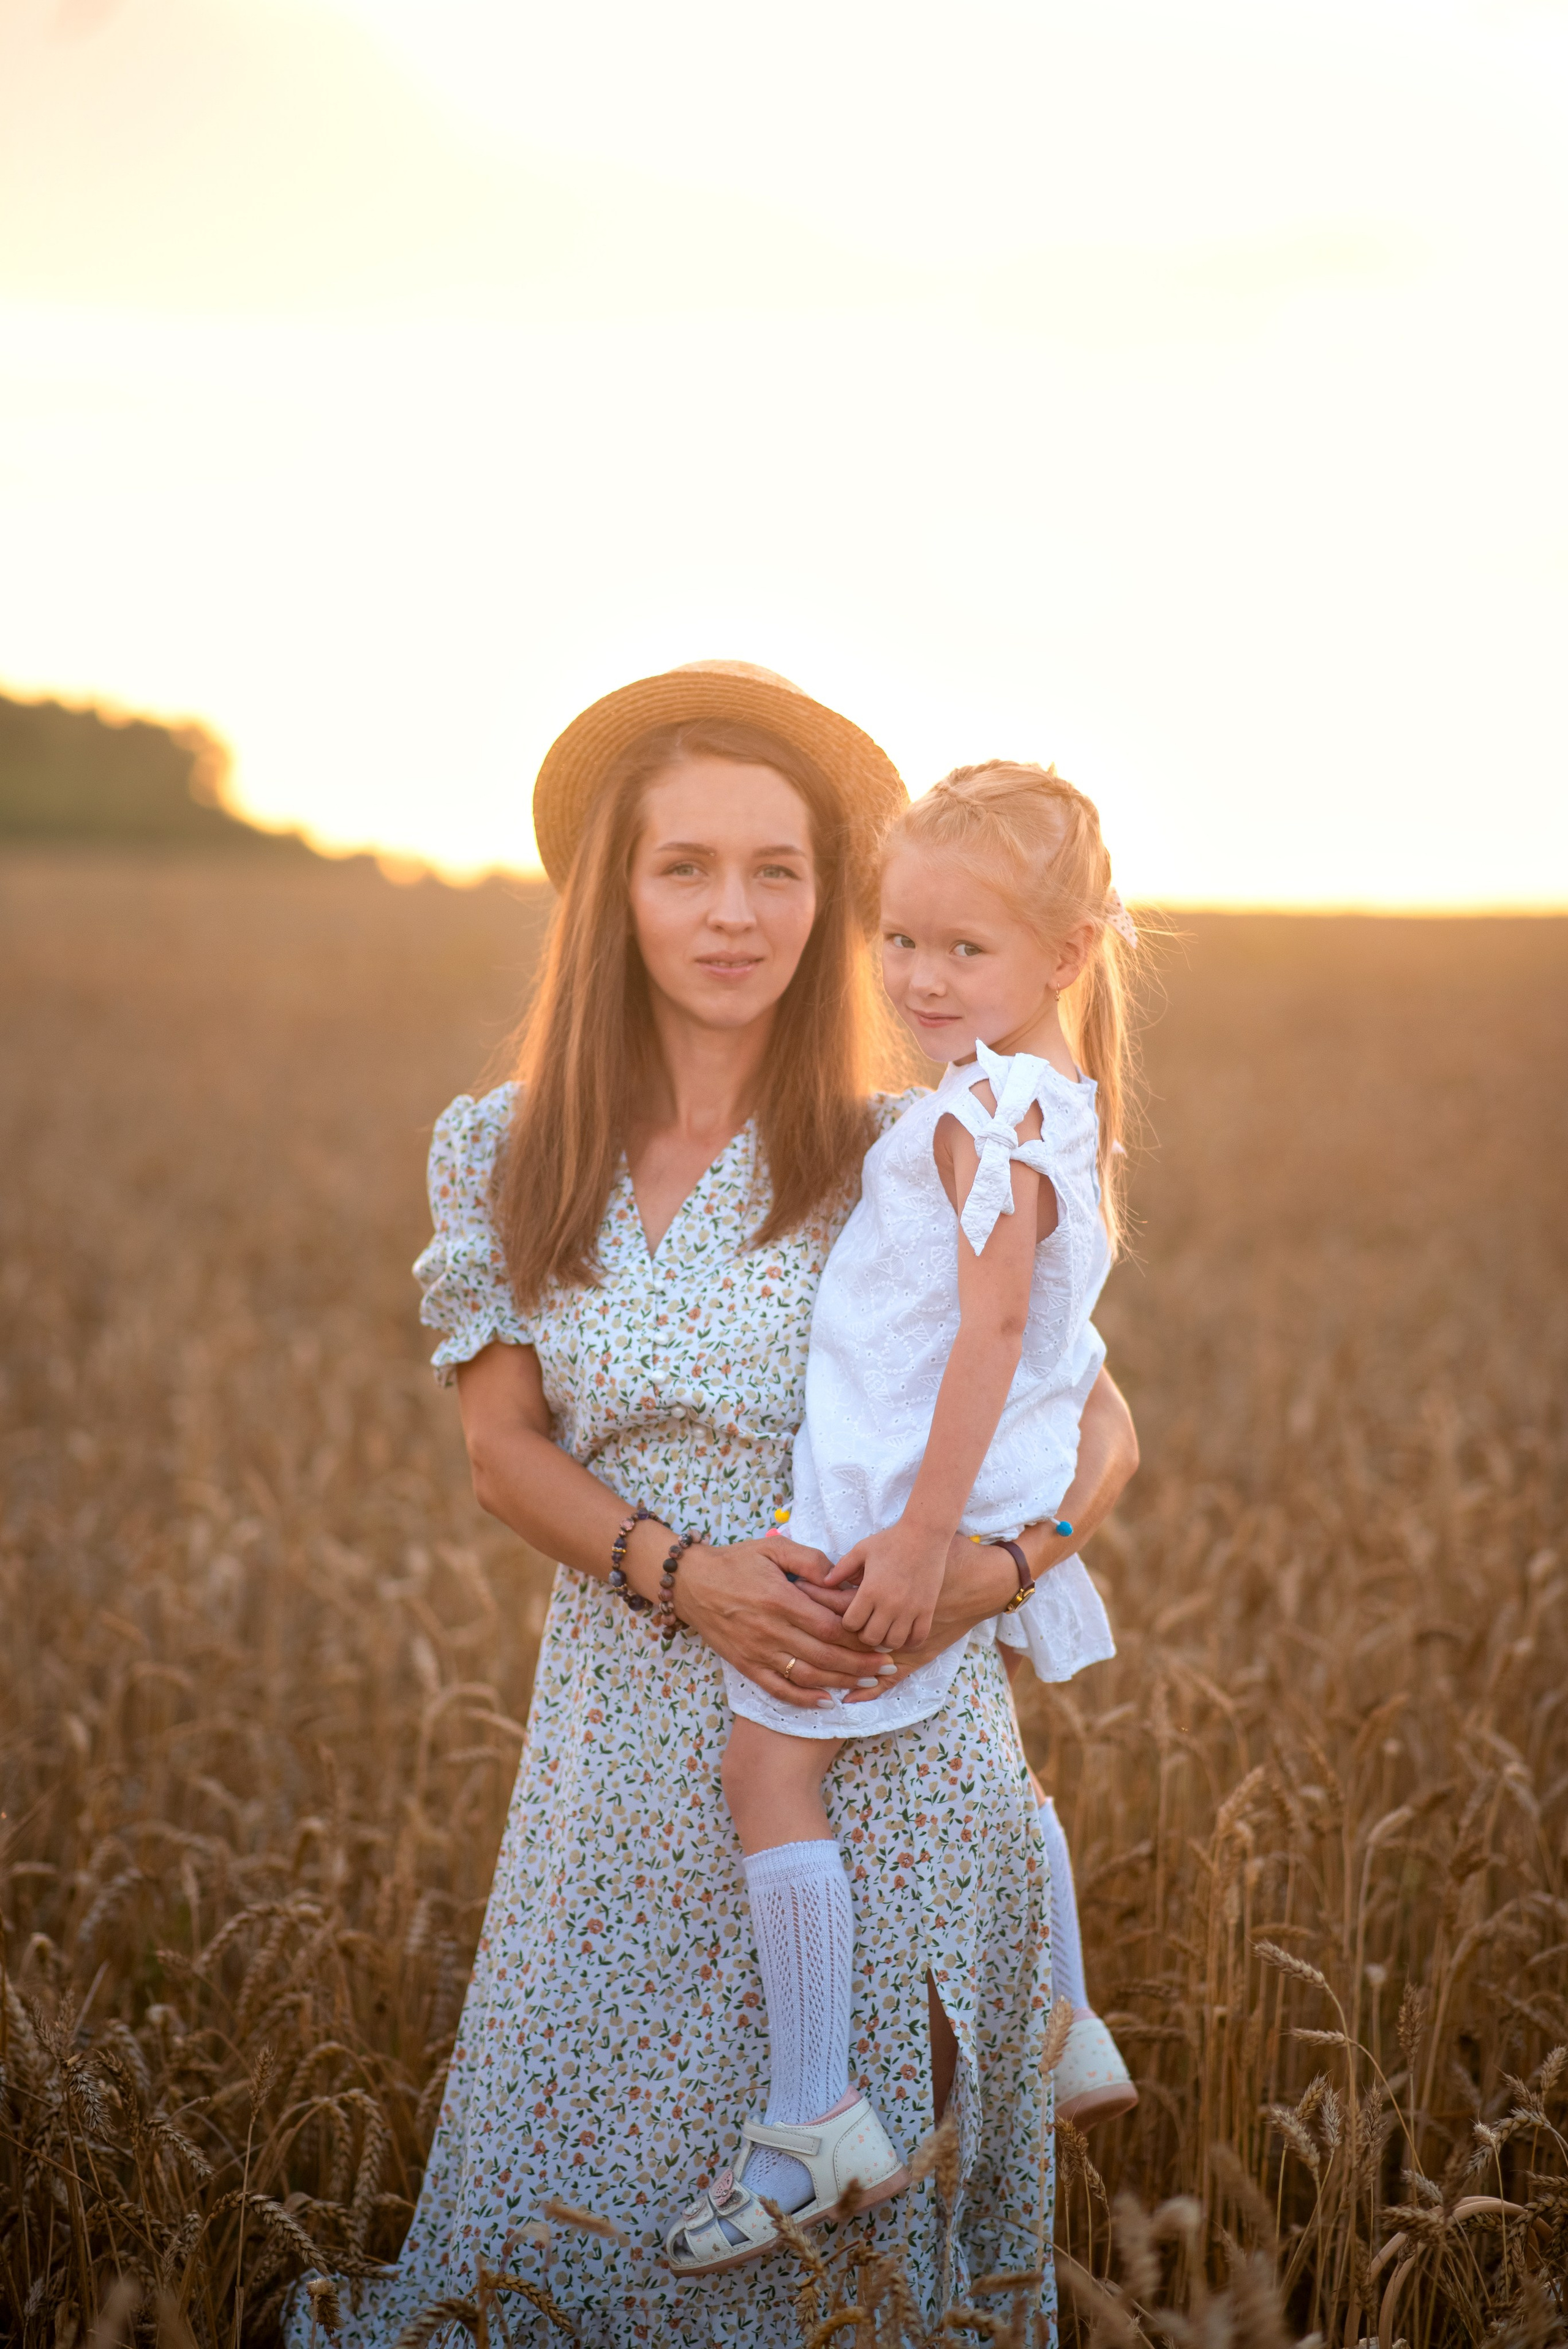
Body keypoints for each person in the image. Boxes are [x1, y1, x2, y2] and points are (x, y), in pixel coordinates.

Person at [298, 663, 1138, 2347]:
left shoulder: (912, 1139)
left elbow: (1096, 1413)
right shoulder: (507, 1145)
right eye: (686, 866)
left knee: (840, 2279)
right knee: (574, 2220)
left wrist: (995, 1566)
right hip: (619, 1746)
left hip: (876, 1733)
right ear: (614, 889)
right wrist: (686, 1575)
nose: (734, 913)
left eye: (780, 870)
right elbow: (503, 1451)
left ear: (834, 899)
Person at [668, 761, 1137, 2277]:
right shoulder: (1050, 1097)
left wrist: (929, 1538)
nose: (921, 978)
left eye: (964, 949)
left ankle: (816, 2114)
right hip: (967, 1488)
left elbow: (996, 1334)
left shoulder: (988, 1109)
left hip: (901, 1504)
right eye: (902, 940)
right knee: (978, 1741)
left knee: (766, 1762)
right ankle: (1062, 2016)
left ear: (1062, 956)